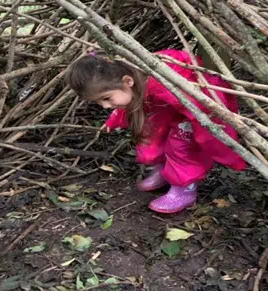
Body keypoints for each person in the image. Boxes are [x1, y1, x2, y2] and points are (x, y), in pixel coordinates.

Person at [66, 49, 245, 214]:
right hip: (166, 110)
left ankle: (184, 188)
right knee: (150, 136)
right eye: (99, 102)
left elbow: (201, 109)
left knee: (181, 148)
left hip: (191, 115)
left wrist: (211, 139)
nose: (105, 106)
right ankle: (164, 172)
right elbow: (125, 102)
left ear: (128, 81)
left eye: (106, 99)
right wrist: (114, 118)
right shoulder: (133, 84)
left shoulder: (166, 84)